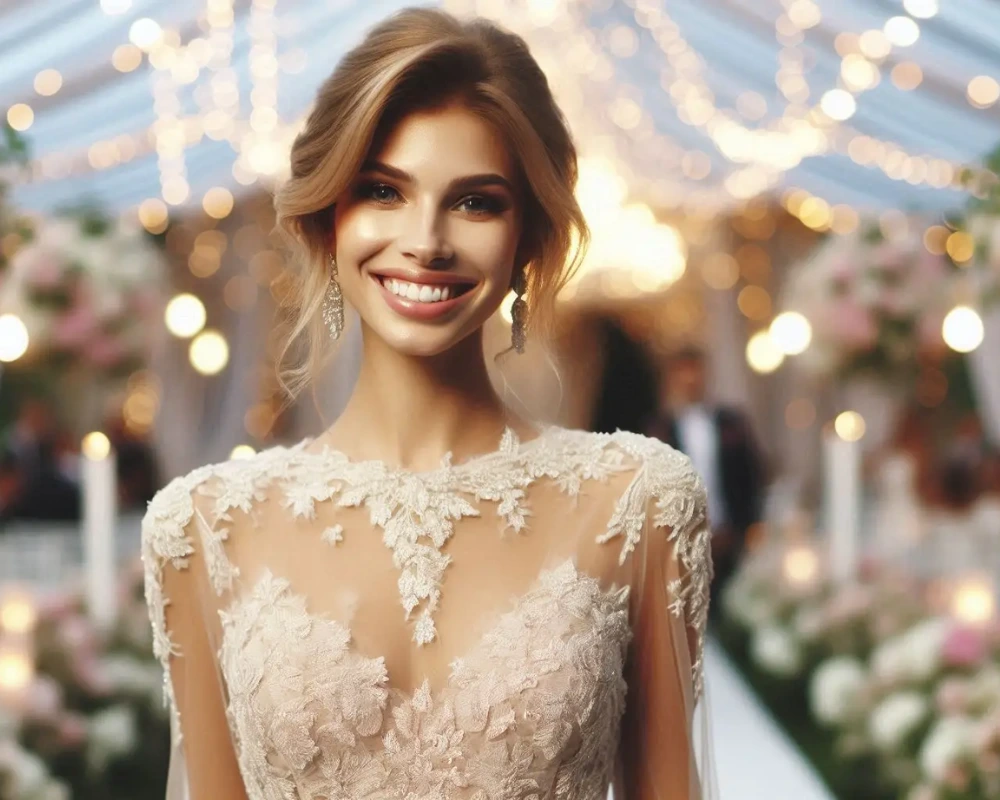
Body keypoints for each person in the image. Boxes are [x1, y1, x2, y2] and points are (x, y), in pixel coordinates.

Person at [141, 9, 715, 800]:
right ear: (326, 218)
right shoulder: (200, 528)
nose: (426, 241)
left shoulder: (639, 501)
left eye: (476, 202)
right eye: (383, 190)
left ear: (529, 239)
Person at [645, 346, 764, 616]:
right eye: (683, 376)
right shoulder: (659, 429)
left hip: (728, 534)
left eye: (696, 374)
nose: (691, 382)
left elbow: (751, 476)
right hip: (680, 541)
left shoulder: (731, 423)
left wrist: (746, 526)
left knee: (733, 609)